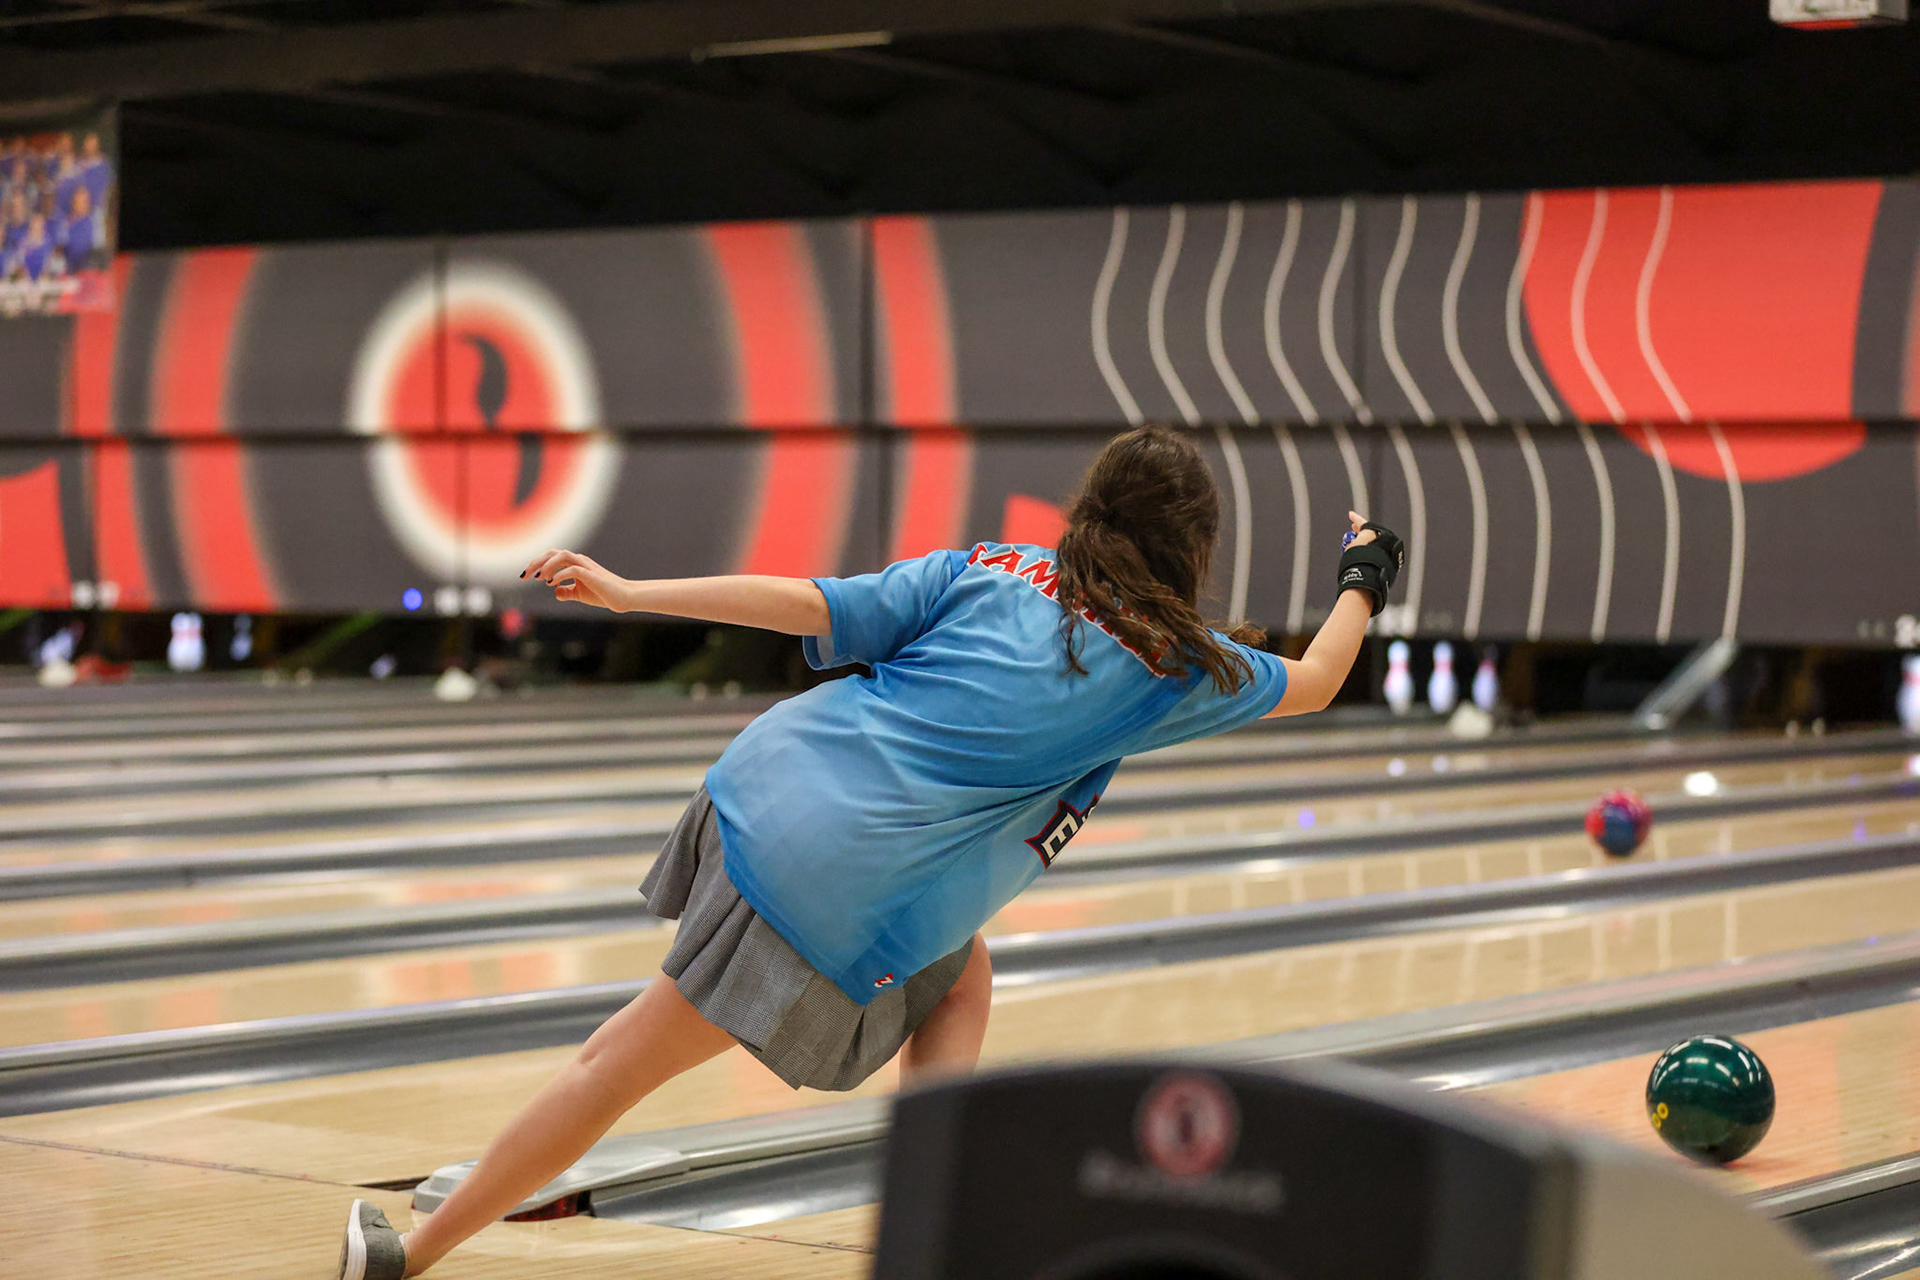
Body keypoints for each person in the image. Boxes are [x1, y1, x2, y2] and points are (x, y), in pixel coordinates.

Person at [334, 425, 1407, 1280]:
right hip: (832, 877)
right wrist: (1365, 571)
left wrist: (633, 592)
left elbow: (808, 602)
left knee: (960, 973)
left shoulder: (992, 565)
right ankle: (411, 1258)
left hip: (759, 790)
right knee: (615, 1065)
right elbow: (1318, 678)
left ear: (1089, 509)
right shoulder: (1173, 667)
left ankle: (927, 1226)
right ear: (1190, 546)